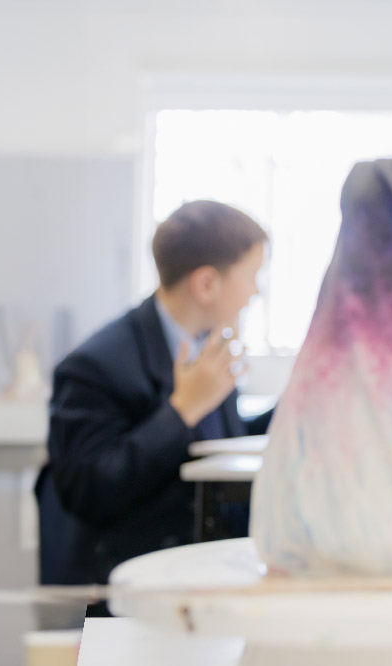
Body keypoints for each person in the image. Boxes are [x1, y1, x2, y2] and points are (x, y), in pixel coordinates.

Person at [36, 200, 271, 586]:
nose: (255, 292)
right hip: (129, 592)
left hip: (205, 577)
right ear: (207, 283)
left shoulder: (206, 348)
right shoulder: (95, 366)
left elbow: (222, 444)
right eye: (251, 276)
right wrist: (181, 410)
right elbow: (89, 491)